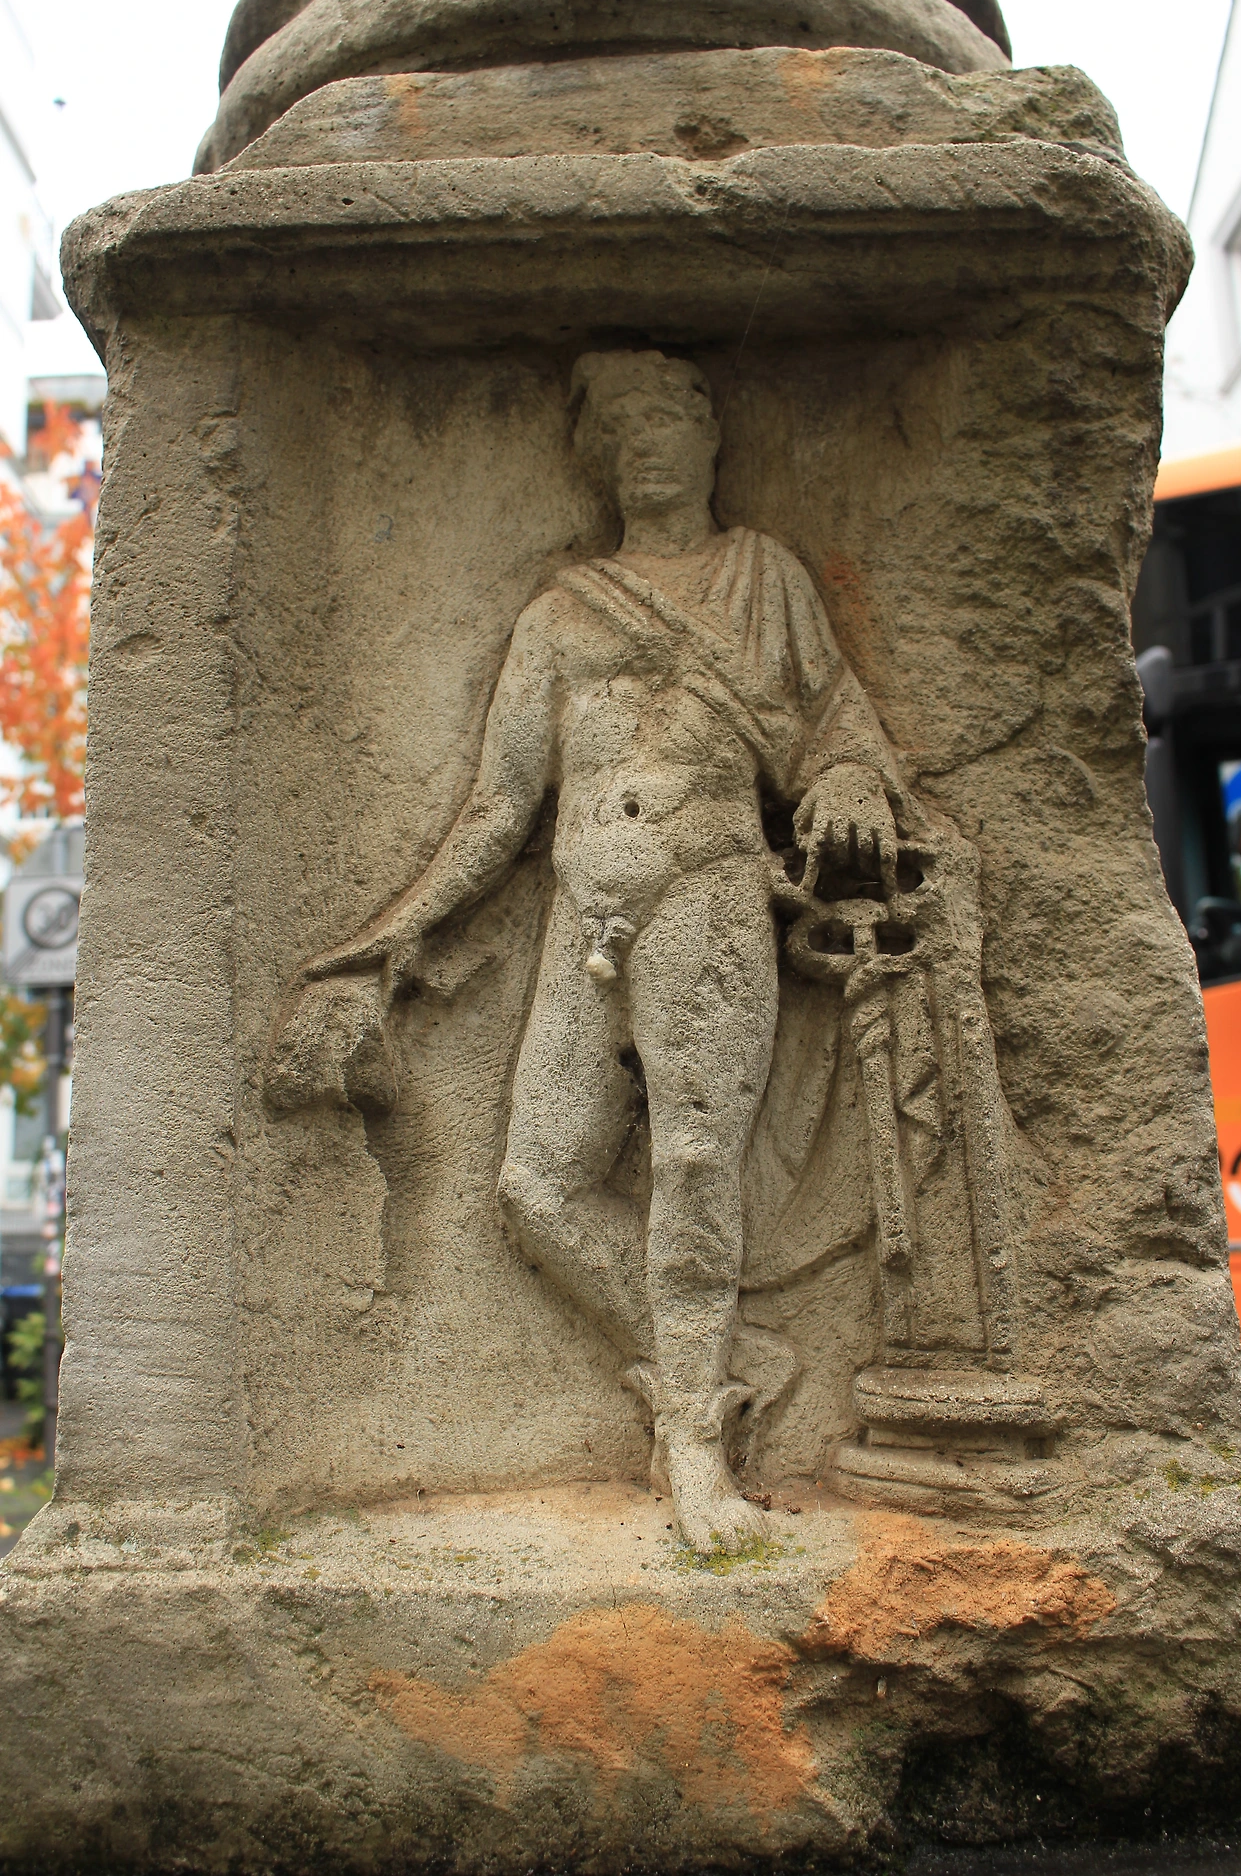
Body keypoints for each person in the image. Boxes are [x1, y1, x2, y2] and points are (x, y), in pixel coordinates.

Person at [273, 350, 907, 1551]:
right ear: (599, 459)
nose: (643, 445)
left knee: (693, 1166)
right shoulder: (562, 611)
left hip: (708, 897)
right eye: (619, 430)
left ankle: (694, 1447)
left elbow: (833, 723)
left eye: (664, 419)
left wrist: (850, 779)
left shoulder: (761, 576)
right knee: (536, 1186)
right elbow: (498, 806)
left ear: (709, 435)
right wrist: (391, 935)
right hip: (586, 917)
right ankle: (732, 1359)